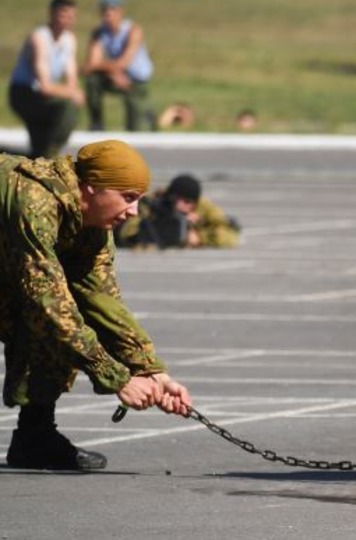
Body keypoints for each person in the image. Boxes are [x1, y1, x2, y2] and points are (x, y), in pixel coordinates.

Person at [1, 140, 192, 470]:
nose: (134, 211)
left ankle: (35, 436)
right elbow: (46, 301)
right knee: (52, 316)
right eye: (128, 197)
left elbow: (100, 299)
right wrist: (117, 378)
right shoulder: (34, 201)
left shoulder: (93, 224)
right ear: (92, 189)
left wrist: (149, 369)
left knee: (65, 321)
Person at [6, 0, 83, 159]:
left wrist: (72, 91)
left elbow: (71, 78)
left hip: (43, 96)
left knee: (38, 148)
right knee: (66, 106)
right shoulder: (40, 38)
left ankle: (44, 153)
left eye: (71, 15)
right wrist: (71, 93)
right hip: (24, 93)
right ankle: (50, 153)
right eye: (63, 14)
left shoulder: (69, 40)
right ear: (52, 13)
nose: (67, 19)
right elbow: (44, 86)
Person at [115, 173, 241, 249]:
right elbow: (127, 233)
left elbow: (230, 236)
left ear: (195, 203)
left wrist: (200, 237)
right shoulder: (154, 203)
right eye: (177, 200)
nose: (181, 205)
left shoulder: (204, 208)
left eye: (187, 202)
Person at [82, 0, 154, 132]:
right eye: (105, 10)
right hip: (116, 76)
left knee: (137, 128)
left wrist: (111, 68)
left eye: (112, 9)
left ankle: (145, 120)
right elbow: (90, 65)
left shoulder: (133, 30)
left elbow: (124, 62)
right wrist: (113, 73)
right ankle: (96, 124)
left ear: (120, 11)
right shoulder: (99, 33)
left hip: (137, 80)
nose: (108, 14)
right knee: (92, 80)